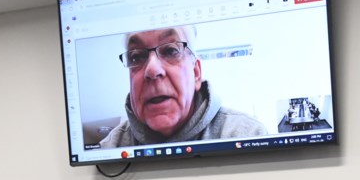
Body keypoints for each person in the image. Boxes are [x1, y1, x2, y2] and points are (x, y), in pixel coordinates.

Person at [98, 25, 269, 147]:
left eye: (170, 51)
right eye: (136, 57)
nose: (151, 70)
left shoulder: (247, 135)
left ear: (196, 73)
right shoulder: (111, 148)